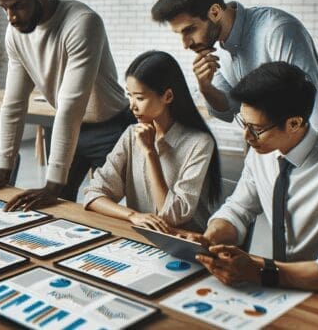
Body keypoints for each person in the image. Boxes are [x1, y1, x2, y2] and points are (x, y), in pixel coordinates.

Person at [182, 62, 318, 296]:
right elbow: (238, 209)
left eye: (256, 128)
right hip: (280, 290)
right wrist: (209, 238)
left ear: (295, 123)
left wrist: (262, 271)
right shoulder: (263, 153)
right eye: (244, 124)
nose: (247, 137)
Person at [0, 0, 133, 211]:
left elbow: (71, 106)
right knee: (55, 210)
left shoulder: (82, 23)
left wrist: (52, 185)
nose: (11, 17)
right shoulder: (15, 34)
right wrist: (3, 172)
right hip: (65, 125)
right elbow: (14, 104)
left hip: (111, 129)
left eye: (17, 5)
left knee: (116, 212)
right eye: (4, 8)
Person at [151, 0, 318, 139]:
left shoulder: (278, 30)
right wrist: (205, 87)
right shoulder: (219, 45)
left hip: (315, 140)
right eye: (179, 34)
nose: (185, 44)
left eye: (189, 30)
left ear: (214, 12)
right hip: (269, 143)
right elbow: (228, 108)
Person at [83, 51, 222, 233]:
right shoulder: (132, 134)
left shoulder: (200, 143)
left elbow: (172, 216)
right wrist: (133, 216)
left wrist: (150, 153)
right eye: (130, 95)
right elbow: (93, 194)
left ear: (168, 96)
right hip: (141, 238)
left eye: (140, 98)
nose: (132, 105)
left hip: (185, 244)